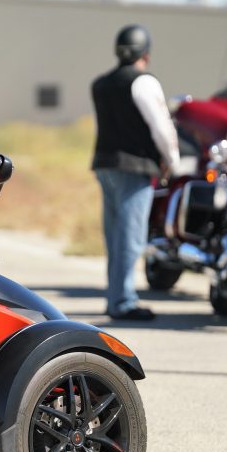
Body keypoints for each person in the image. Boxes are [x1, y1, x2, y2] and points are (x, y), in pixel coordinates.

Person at [90, 24, 180, 320]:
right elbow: (161, 127)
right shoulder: (143, 82)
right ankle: (123, 301)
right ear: (146, 54)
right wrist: (173, 161)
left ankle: (115, 297)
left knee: (115, 237)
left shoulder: (101, 84)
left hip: (105, 165)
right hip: (134, 167)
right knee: (130, 237)